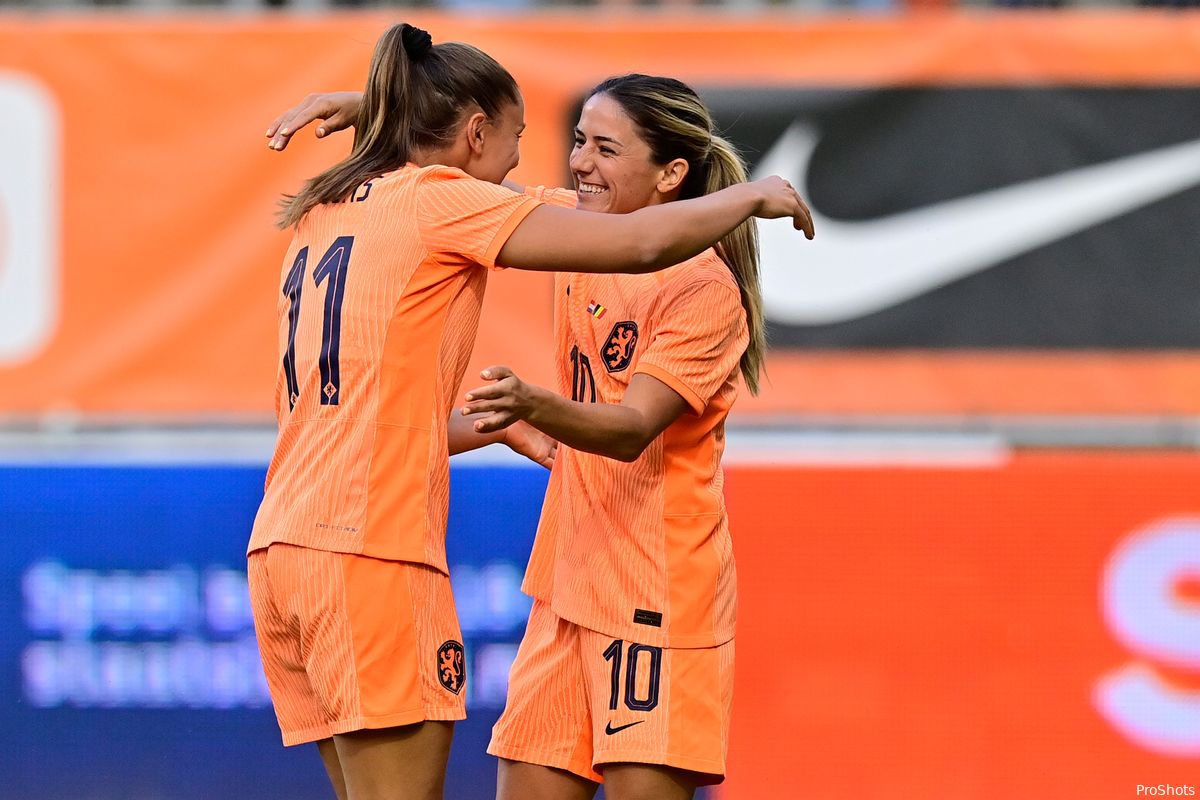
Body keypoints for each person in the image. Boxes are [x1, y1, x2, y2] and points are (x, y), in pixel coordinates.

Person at [252, 24, 813, 800]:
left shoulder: (701, 289)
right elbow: (630, 240)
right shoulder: (494, 214)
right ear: (474, 131)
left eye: (602, 147)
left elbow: (630, 424)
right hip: (418, 557)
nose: (569, 160)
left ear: (672, 172)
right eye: (569, 139)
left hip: (649, 595)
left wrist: (526, 411)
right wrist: (750, 197)